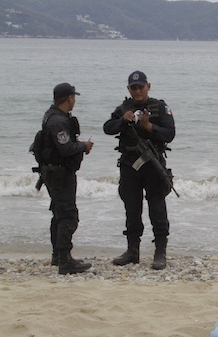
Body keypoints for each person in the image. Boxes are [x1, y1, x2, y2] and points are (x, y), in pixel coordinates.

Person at [103, 71, 176, 270]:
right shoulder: (123, 108)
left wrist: (149, 126)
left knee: (157, 208)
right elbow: (107, 128)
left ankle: (160, 252)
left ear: (148, 86)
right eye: (133, 88)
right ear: (128, 89)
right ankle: (132, 251)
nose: (137, 91)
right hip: (130, 165)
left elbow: (170, 134)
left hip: (153, 165)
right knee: (131, 208)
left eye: (140, 87)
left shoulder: (160, 107)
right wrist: (122, 121)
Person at [40, 83, 93, 274]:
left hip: (55, 172)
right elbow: (65, 148)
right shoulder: (58, 122)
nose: (75, 101)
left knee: (59, 213)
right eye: (73, 97)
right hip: (60, 174)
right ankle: (65, 260)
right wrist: (83, 146)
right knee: (68, 216)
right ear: (69, 98)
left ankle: (57, 256)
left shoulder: (53, 116)